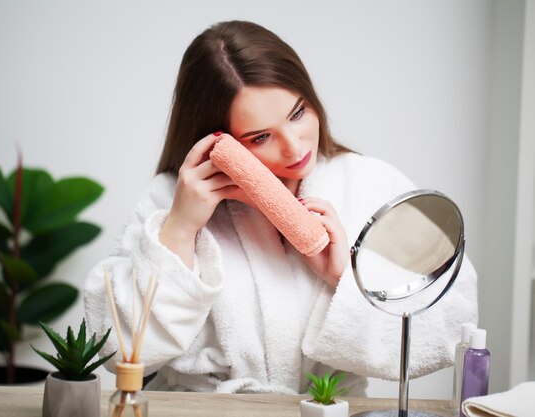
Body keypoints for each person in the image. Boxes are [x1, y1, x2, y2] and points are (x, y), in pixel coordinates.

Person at [84, 20, 478, 395]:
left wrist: (346, 276)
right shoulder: (171, 199)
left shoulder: (370, 183)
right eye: (259, 137)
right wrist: (180, 230)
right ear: (217, 140)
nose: (294, 147)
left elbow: (450, 324)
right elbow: (115, 349)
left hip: (329, 408)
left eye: (298, 113)